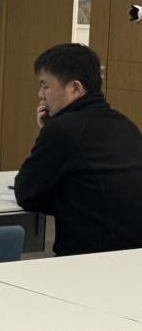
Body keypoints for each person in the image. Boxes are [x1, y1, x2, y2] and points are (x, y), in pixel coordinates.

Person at [14, 43, 142, 255]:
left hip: (89, 258)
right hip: (132, 257)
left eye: (45, 86)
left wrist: (49, 130)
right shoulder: (125, 124)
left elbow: (27, 193)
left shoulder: (63, 129)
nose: (40, 94)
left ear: (75, 88)